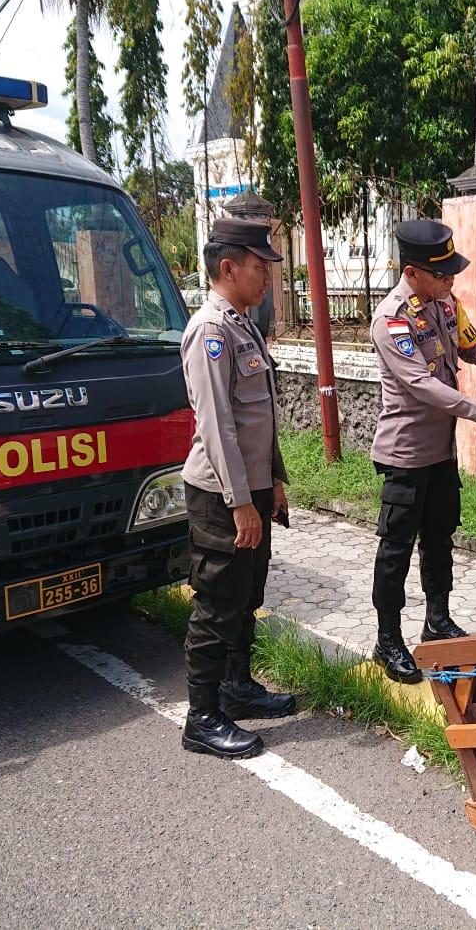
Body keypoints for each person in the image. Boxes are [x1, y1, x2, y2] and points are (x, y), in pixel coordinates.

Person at [367, 219, 476, 684]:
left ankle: (437, 620)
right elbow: (422, 385)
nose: (450, 281)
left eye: (452, 273)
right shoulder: (392, 319)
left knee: (440, 538)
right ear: (413, 272)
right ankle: (387, 640)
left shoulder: (445, 304)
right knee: (395, 550)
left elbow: (475, 348)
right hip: (405, 455)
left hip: (439, 453)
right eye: (442, 274)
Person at [179, 217, 297, 759]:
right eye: (259, 266)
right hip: (222, 497)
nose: (267, 276)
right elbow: (218, 426)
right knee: (217, 602)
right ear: (228, 267)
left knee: (247, 596)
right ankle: (202, 717)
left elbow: (261, 419)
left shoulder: (243, 325)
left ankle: (237, 687)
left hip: (250, 490)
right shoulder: (210, 332)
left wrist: (273, 480)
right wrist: (240, 501)